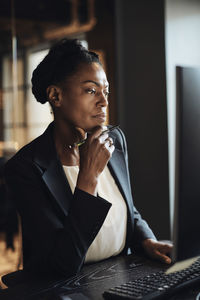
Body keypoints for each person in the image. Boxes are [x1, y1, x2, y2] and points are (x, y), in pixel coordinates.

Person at [4, 39, 172, 280]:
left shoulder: (114, 139)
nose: (103, 101)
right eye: (91, 90)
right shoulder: (24, 168)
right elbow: (62, 264)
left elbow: (127, 208)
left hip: (120, 277)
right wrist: (88, 177)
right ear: (56, 95)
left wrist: (147, 240)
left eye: (106, 91)